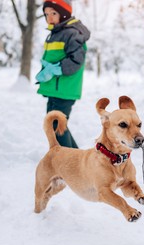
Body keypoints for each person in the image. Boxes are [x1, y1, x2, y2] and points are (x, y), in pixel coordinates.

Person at [36, 0, 90, 148]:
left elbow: (76, 60)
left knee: (56, 125)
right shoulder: (56, 33)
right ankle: (76, 158)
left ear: (64, 14)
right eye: (46, 14)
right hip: (56, 89)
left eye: (54, 13)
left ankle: (68, 162)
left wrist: (55, 69)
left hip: (65, 89)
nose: (49, 17)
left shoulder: (72, 34)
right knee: (56, 125)